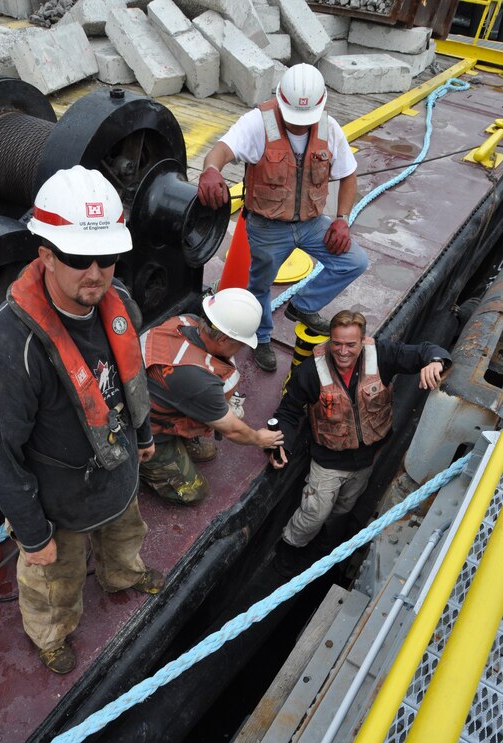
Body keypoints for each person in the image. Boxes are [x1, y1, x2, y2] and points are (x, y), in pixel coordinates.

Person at [0, 166, 165, 674]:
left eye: (107, 258)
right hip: (58, 502)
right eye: (78, 258)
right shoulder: (11, 350)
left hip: (116, 469)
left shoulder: (117, 303)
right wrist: (33, 535)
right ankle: (50, 634)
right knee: (54, 581)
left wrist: (142, 435)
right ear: (46, 255)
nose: (95, 273)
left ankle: (122, 575)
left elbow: (129, 375)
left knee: (126, 534)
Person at [197, 63, 368, 372]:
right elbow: (221, 150)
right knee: (259, 287)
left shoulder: (329, 128)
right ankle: (262, 338)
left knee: (354, 261)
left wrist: (342, 219)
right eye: (293, 120)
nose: (300, 127)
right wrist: (210, 170)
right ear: (280, 101)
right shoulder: (257, 123)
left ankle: (303, 305)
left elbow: (349, 174)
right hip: (267, 227)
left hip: (313, 223)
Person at [268, 310, 452, 576]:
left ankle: (324, 546)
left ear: (362, 340)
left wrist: (436, 361)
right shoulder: (311, 372)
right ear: (330, 340)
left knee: (343, 508)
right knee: (313, 514)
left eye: (351, 344)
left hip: (367, 458)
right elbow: (288, 412)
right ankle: (289, 551)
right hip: (328, 461)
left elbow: (426, 350)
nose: (343, 351)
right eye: (337, 343)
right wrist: (279, 443)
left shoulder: (382, 355)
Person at [140, 287, 284, 504]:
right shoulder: (198, 380)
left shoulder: (187, 321)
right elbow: (232, 430)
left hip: (156, 401)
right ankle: (142, 464)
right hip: (144, 431)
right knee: (194, 493)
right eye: (241, 343)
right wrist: (258, 438)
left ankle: (178, 441)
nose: (242, 348)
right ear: (224, 340)